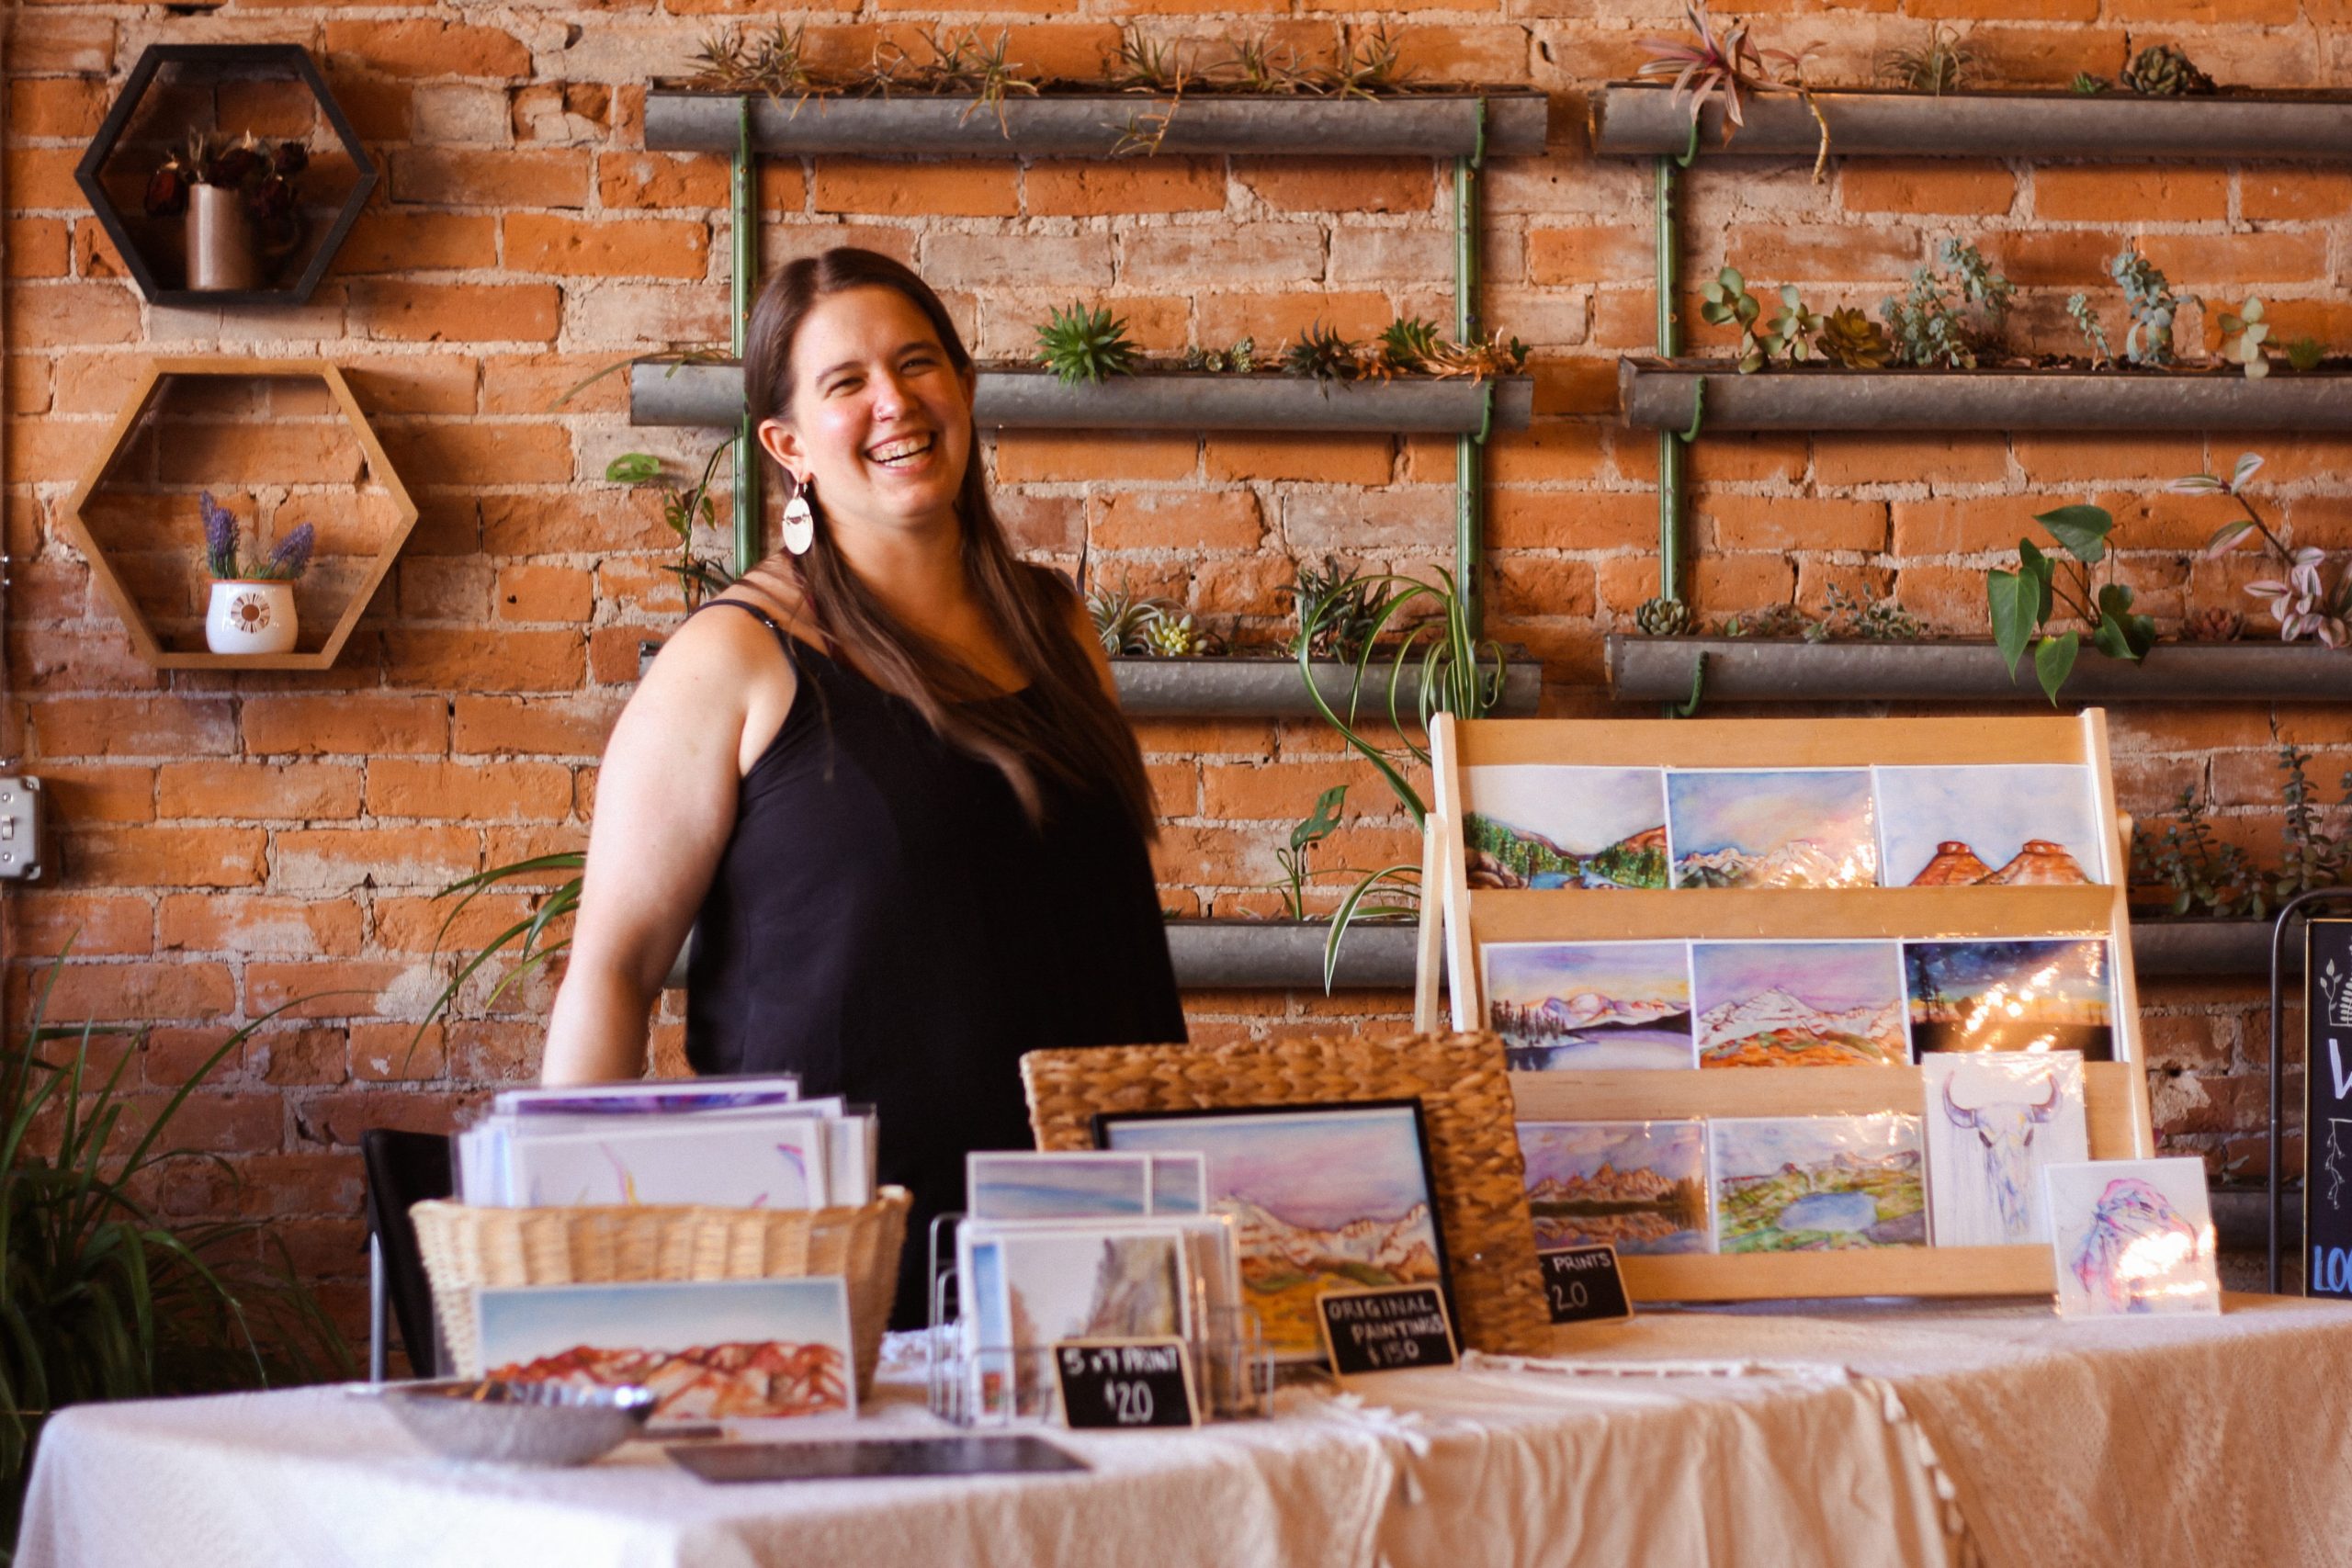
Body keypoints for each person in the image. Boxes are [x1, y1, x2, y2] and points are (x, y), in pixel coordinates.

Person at [538, 246, 1186, 1325]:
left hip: (1091, 1254)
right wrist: (571, 1280)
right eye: (847, 384)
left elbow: (1107, 940)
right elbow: (613, 969)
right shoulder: (733, 656)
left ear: (965, 389)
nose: (896, 401)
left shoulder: (1057, 624)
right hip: (847, 1278)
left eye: (919, 362)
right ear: (787, 444)